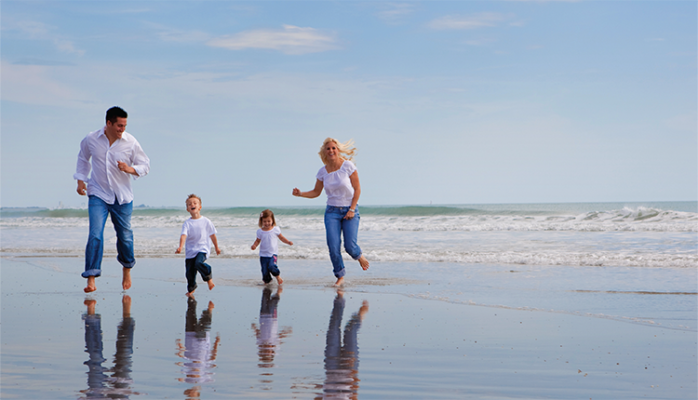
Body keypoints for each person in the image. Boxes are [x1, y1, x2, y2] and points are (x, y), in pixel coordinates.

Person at [74, 106, 150, 293]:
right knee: (95, 234)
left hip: (122, 197)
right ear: (108, 123)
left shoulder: (130, 142)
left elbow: (145, 165)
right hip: (98, 194)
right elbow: (83, 158)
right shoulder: (91, 139)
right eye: (119, 125)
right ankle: (91, 278)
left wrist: (130, 169)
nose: (122, 129)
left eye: (124, 125)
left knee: (124, 237)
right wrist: (80, 181)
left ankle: (126, 268)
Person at [292, 138, 369, 286]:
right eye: (328, 149)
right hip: (331, 212)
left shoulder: (348, 166)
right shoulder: (322, 172)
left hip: (350, 210)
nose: (331, 151)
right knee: (333, 246)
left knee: (350, 247)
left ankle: (359, 256)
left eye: (334, 148)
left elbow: (357, 189)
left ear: (338, 150)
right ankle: (340, 275)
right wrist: (300, 193)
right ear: (324, 152)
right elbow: (316, 192)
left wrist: (352, 209)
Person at [176, 194, 220, 297]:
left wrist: (217, 247)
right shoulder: (187, 223)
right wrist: (180, 246)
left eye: (195, 203)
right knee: (189, 273)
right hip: (190, 251)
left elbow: (212, 235)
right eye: (189, 204)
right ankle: (191, 289)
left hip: (202, 249)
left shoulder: (206, 221)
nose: (192, 205)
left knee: (198, 263)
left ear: (200, 206)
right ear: (187, 209)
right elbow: (183, 235)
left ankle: (208, 277)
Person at [251, 209, 293, 285]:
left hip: (272, 254)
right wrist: (254, 245)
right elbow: (257, 240)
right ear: (261, 221)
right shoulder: (260, 231)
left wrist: (288, 242)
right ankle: (267, 283)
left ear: (272, 220)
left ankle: (277, 276)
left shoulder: (275, 230)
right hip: (263, 255)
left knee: (272, 266)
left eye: (268, 221)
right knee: (264, 271)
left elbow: (281, 237)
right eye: (264, 221)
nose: (267, 223)